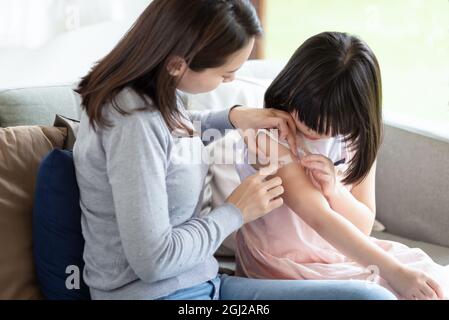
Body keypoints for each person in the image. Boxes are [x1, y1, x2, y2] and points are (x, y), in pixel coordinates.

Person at [74, 0, 395, 300]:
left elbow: (169, 136)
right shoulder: (132, 125)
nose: (231, 80)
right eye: (225, 73)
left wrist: (232, 117)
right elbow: (154, 261)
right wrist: (235, 212)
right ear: (177, 65)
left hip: (202, 284)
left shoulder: (152, 96)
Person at [234, 31, 449, 300]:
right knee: (392, 288)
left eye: (332, 124)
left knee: (431, 280)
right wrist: (394, 272)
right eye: (309, 115)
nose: (316, 129)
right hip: (281, 265)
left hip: (340, 251)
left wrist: (335, 190)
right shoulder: (266, 137)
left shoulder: (354, 137)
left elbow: (363, 225)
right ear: (292, 87)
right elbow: (319, 218)